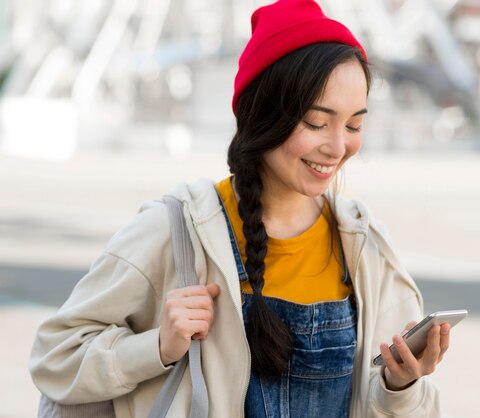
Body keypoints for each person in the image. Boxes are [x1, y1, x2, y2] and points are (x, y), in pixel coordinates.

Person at [29, 0, 452, 416]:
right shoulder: (178, 227)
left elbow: (404, 407)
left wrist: (402, 384)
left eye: (355, 125)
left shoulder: (365, 248)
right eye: (317, 123)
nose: (339, 147)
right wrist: (157, 346)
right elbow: (55, 358)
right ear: (264, 115)